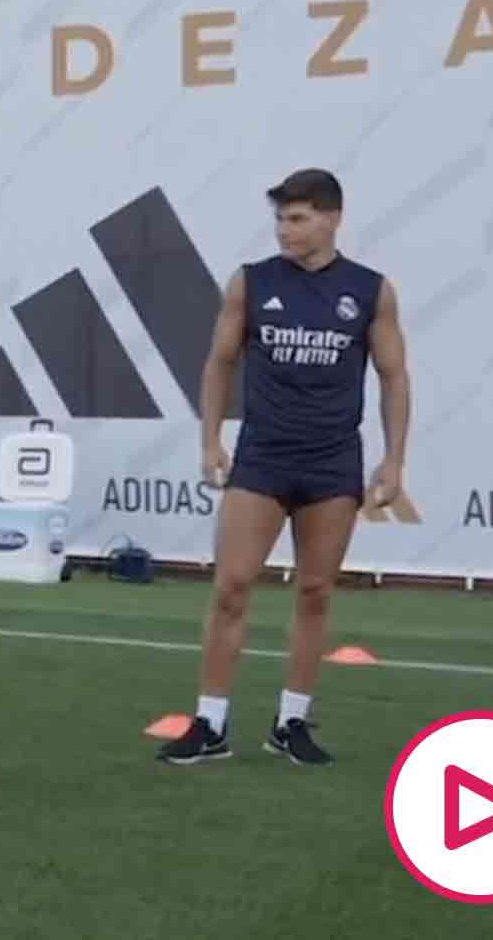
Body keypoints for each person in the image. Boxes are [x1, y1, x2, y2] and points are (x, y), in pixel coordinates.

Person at [157, 168, 410, 768]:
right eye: (279, 218)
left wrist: (394, 460)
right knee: (232, 585)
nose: (284, 230)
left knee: (316, 591)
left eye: (297, 219)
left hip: (332, 462)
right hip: (263, 455)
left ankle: (291, 721)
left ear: (332, 219)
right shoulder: (250, 283)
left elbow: (394, 377)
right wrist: (210, 440)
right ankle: (211, 723)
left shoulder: (372, 290)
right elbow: (219, 364)